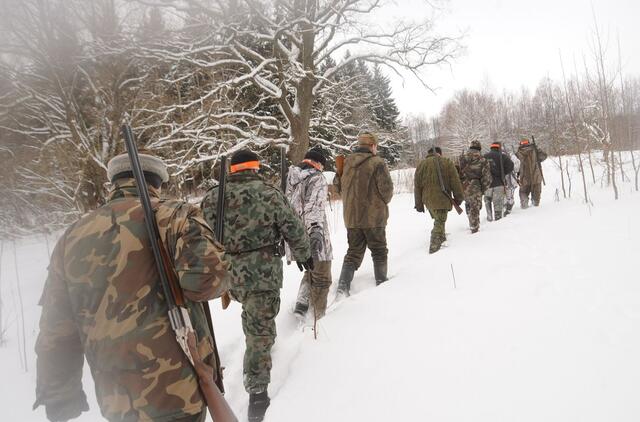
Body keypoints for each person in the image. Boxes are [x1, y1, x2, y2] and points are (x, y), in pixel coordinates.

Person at [34, 151, 231, 422]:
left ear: (113, 183)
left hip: (116, 397)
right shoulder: (173, 216)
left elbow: (55, 328)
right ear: (157, 183)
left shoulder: (71, 237)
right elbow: (207, 284)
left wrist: (58, 393)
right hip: (178, 390)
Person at [201, 149, 311, 422]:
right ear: (255, 168)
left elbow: (200, 236)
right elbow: (293, 227)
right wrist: (304, 254)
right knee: (259, 332)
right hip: (262, 275)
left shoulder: (212, 198)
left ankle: (260, 351)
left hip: (228, 275)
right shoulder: (269, 193)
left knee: (254, 321)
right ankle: (258, 396)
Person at [333, 132, 394, 297]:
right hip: (374, 218)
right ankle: (381, 283)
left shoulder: (345, 163)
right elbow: (387, 191)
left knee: (353, 252)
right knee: (379, 250)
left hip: (352, 219)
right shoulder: (378, 162)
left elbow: (338, 188)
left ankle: (342, 287)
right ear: (373, 146)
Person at [285, 148, 333, 320]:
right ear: (319, 163)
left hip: (296, 237)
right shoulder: (317, 178)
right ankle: (317, 319)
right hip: (313, 236)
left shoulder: (291, 178)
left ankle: (301, 305)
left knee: (311, 271)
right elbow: (313, 208)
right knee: (322, 277)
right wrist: (316, 232)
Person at [414, 147, 464, 253]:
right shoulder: (447, 162)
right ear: (440, 153)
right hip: (442, 198)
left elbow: (417, 186)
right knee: (440, 221)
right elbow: (455, 181)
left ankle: (442, 238)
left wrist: (419, 204)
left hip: (427, 200)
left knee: (439, 219)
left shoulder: (421, 165)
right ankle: (434, 246)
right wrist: (458, 198)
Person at [458, 140, 492, 233]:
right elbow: (487, 177)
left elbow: (458, 172)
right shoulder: (482, 160)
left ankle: (471, 222)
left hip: (464, 186)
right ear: (479, 148)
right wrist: (483, 190)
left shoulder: (461, 158)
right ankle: (474, 228)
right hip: (476, 186)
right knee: (475, 207)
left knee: (468, 204)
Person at [483, 141, 515, 221]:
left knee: (487, 200)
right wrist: (503, 172)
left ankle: (489, 215)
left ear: (491, 147)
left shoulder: (484, 157)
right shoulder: (503, 156)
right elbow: (511, 166)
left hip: (487, 184)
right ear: (499, 148)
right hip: (499, 183)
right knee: (497, 203)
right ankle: (498, 218)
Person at [516, 138, 548, 208]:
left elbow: (515, 166)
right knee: (536, 198)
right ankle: (535, 211)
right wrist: (538, 150)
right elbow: (544, 156)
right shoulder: (534, 150)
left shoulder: (518, 153)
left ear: (520, 144)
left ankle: (525, 207)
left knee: (523, 193)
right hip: (536, 177)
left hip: (524, 179)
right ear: (528, 143)